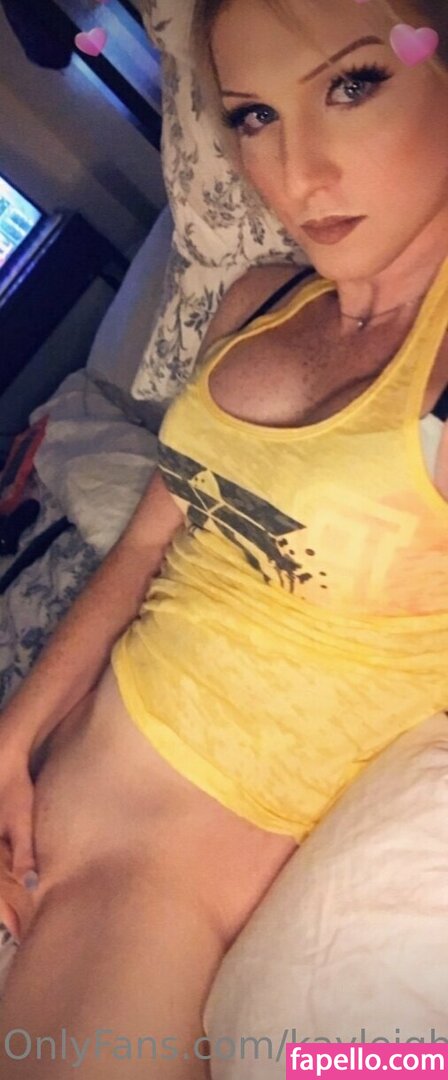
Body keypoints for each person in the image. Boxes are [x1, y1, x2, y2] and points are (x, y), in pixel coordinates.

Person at [0, 0, 447, 1075]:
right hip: (48, 777)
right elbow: (145, 548)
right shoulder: (255, 300)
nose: (297, 171)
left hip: (159, 884)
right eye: (254, 115)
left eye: (353, 84)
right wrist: (12, 742)